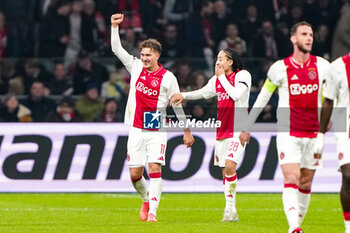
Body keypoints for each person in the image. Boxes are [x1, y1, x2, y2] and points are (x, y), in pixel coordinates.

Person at [239, 21, 330, 233]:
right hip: (288, 132)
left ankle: (296, 224)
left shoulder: (323, 66)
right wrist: (247, 125)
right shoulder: (279, 68)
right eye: (304, 34)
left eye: (311, 34)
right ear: (293, 38)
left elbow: (330, 97)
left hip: (314, 134)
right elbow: (263, 97)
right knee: (291, 178)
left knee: (306, 183)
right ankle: (294, 227)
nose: (309, 38)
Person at [111, 13, 194, 222]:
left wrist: (186, 130)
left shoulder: (168, 78)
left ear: (157, 55)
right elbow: (116, 49)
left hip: (156, 128)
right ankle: (145, 199)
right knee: (135, 175)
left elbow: (177, 105)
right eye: (143, 54)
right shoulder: (136, 67)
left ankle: (153, 213)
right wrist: (114, 27)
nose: (145, 58)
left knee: (155, 168)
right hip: (136, 128)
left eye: (148, 55)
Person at [170, 48, 251, 222]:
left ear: (230, 62)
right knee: (224, 171)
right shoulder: (216, 79)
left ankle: (229, 211)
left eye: (221, 58)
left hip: (238, 128)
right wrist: (182, 95)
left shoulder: (243, 75)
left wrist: (221, 77)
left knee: (230, 166)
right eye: (217, 58)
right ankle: (232, 212)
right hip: (222, 129)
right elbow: (203, 93)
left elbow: (236, 95)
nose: (217, 62)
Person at [313, 53, 350, 233]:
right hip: (345, 127)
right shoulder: (338, 66)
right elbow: (328, 100)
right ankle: (348, 227)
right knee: (348, 175)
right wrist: (320, 135)